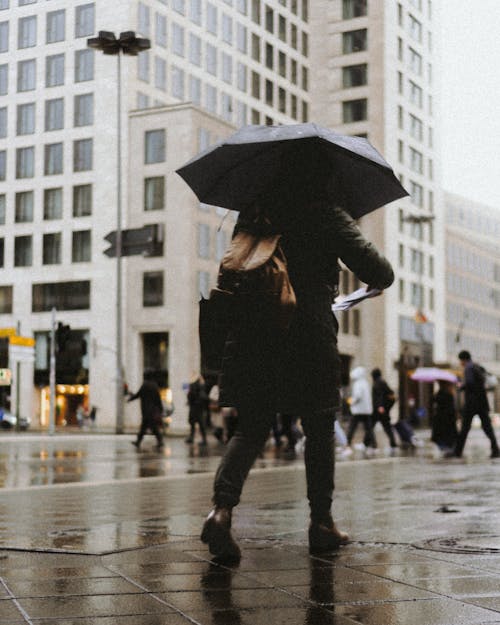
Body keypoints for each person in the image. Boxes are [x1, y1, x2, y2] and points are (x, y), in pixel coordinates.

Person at [200, 168, 395, 563]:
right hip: (308, 331)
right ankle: (321, 523)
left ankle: (220, 511)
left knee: (252, 426)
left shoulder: (255, 214)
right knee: (320, 424)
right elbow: (380, 272)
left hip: (256, 332)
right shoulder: (325, 210)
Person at [451, 350, 499, 458]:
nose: (460, 363)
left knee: (464, 428)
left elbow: (470, 383)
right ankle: (495, 448)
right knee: (487, 427)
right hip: (482, 402)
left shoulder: (468, 368)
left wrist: (461, 386)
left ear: (463, 360)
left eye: (460, 361)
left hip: (472, 403)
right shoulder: (476, 366)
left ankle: (457, 452)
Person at [128, 371, 164, 450]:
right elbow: (158, 399)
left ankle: (159, 441)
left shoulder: (145, 385)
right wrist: (161, 408)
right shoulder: (154, 385)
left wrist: (130, 399)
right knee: (146, 427)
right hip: (153, 410)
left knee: (149, 427)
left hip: (146, 410)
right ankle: (139, 441)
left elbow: (138, 394)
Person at [346, 366, 376, 453]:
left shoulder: (358, 384)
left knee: (352, 427)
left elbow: (358, 396)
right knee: (369, 428)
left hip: (358, 410)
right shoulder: (365, 383)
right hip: (366, 410)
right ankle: (373, 444)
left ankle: (347, 443)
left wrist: (351, 401)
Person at [371, 368, 398, 451]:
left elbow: (380, 396)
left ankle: (372, 444)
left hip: (379, 410)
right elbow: (390, 394)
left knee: (371, 427)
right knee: (386, 427)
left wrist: (381, 406)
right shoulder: (382, 382)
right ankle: (393, 444)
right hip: (382, 409)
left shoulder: (378, 383)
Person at [431, 380, 457, 452]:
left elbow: (434, 401)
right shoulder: (448, 393)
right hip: (446, 418)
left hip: (443, 418)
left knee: (443, 434)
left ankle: (446, 447)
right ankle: (448, 447)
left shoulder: (442, 393)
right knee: (446, 434)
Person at [186, 375, 208, 445]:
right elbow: (204, 397)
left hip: (194, 408)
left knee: (193, 424)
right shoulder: (201, 387)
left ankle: (192, 438)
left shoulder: (193, 386)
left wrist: (190, 402)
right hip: (199, 408)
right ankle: (203, 439)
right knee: (201, 424)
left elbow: (189, 396)